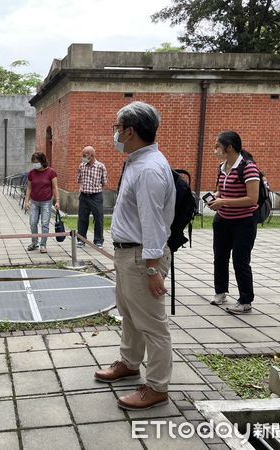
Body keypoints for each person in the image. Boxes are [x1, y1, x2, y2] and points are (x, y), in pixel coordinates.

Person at [94, 101, 175, 411]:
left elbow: (153, 220)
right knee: (129, 313)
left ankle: (157, 387)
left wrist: (153, 268)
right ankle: (129, 362)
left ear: (129, 131)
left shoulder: (149, 169)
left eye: (117, 128)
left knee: (153, 325)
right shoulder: (137, 161)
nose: (115, 133)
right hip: (129, 254)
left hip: (143, 258)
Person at [206, 131, 260, 314]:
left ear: (229, 148)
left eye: (217, 146)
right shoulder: (222, 167)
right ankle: (220, 292)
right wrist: (215, 198)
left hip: (243, 222)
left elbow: (252, 199)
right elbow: (220, 191)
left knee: (240, 261)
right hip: (223, 220)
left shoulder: (248, 168)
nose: (214, 150)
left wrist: (224, 201)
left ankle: (245, 300)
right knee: (219, 258)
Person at [24, 152, 60, 254]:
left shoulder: (51, 172)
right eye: (33, 162)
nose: (35, 164)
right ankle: (35, 243)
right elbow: (29, 188)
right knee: (33, 223)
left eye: (36, 162)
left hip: (46, 202)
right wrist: (27, 201)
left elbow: (55, 187)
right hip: (34, 202)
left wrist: (57, 201)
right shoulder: (32, 173)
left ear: (42, 161)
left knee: (45, 224)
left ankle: (43, 245)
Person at [77, 146, 108, 248]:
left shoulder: (101, 166)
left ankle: (98, 240)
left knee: (98, 218)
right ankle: (81, 239)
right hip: (84, 196)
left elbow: (104, 182)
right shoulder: (81, 166)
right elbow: (79, 180)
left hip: (96, 196)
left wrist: (95, 189)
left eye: (84, 155)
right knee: (82, 218)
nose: (83, 157)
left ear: (92, 155)